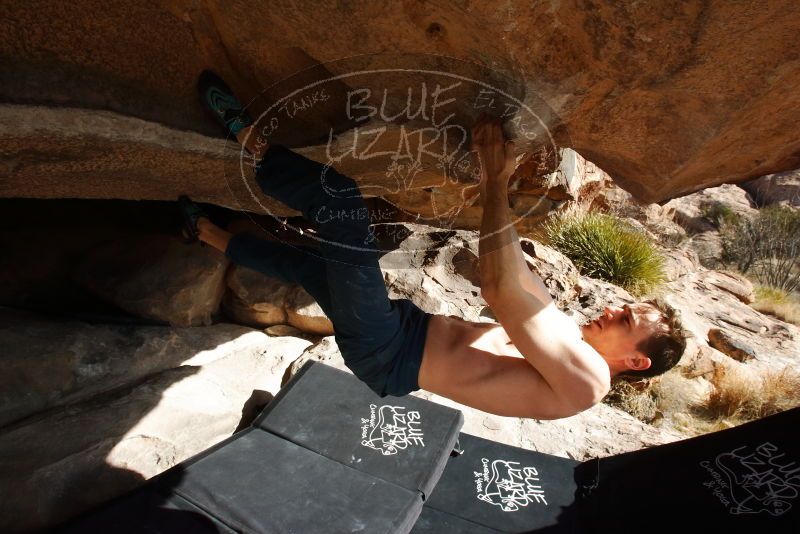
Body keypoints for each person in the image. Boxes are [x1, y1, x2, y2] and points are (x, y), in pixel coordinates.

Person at [184, 71, 687, 420]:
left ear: (637, 362)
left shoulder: (588, 383)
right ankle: (209, 235)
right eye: (623, 306)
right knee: (315, 270)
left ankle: (249, 139)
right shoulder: (570, 337)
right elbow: (515, 270)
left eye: (625, 321)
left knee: (341, 203)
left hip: (389, 351)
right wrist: (501, 188)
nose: (613, 309)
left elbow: (500, 288)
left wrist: (496, 177)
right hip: (402, 328)